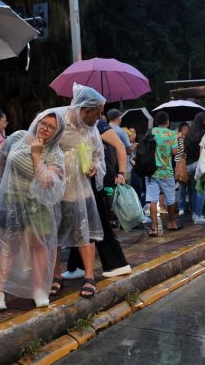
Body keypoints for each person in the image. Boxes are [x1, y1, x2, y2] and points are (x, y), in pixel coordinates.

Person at [0, 108, 66, 310]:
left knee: (39, 246)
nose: (45, 128)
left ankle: (38, 289)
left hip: (38, 205)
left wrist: (36, 155)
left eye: (52, 127)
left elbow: (45, 181)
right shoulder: (18, 137)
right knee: (9, 245)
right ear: (37, 120)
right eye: (44, 123)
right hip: (13, 200)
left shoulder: (54, 153)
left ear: (57, 132)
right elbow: (0, 157)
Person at [52, 84, 107, 299]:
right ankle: (55, 276)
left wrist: (96, 167)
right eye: (98, 112)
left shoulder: (92, 130)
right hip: (57, 189)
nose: (99, 117)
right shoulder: (58, 120)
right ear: (86, 110)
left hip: (81, 191)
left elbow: (99, 157)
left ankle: (90, 277)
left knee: (84, 232)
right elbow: (41, 145)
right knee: (53, 235)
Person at [63, 109, 132, 280]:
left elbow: (120, 146)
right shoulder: (80, 125)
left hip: (99, 179)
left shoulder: (99, 124)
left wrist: (122, 173)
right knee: (81, 219)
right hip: (83, 180)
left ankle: (117, 263)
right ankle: (76, 265)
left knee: (98, 220)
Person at [147, 111, 180, 237]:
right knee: (170, 198)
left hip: (152, 171)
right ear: (167, 121)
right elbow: (174, 152)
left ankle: (154, 227)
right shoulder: (172, 134)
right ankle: (172, 223)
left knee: (152, 199)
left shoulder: (151, 132)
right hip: (167, 171)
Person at [183, 113, 205, 224]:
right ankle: (198, 215)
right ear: (203, 121)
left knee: (192, 190)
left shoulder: (189, 133)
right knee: (200, 190)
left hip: (188, 165)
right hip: (199, 164)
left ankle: (194, 213)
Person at [176, 122, 190, 216]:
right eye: (184, 129)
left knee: (190, 187)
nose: (186, 131)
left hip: (189, 163)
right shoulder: (178, 139)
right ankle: (181, 207)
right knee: (181, 187)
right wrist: (179, 138)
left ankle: (189, 206)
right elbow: (179, 152)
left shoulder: (191, 139)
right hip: (180, 164)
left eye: (187, 129)